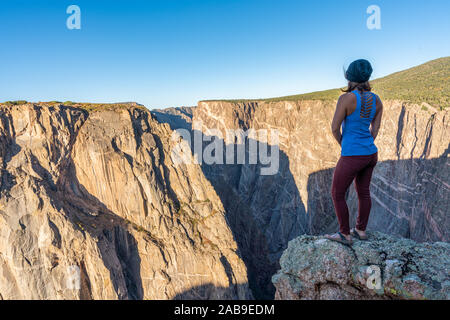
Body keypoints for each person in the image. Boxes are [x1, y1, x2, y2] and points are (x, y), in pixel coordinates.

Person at [324, 59, 383, 245]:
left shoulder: (346, 99)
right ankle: (360, 230)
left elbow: (334, 128)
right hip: (370, 153)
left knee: (337, 193)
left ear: (349, 77)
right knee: (363, 192)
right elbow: (375, 130)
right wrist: (365, 145)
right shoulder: (377, 100)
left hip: (352, 155)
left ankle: (344, 234)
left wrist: (346, 145)